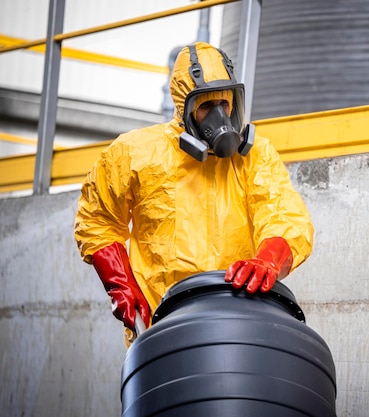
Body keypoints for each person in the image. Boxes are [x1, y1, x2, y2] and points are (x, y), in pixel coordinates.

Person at [74, 42, 314, 342]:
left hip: (240, 324)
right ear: (183, 107)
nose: (220, 118)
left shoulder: (254, 156)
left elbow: (284, 215)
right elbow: (97, 220)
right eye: (206, 108)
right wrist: (121, 284)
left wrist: (268, 259)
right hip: (162, 326)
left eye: (224, 105)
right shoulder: (134, 154)